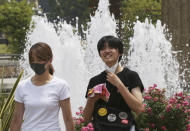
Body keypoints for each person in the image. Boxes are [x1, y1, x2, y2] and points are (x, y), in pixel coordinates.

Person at [83, 36, 145, 131]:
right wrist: (91, 101)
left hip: (126, 127)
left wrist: (119, 85)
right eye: (103, 48)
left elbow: (139, 108)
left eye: (111, 47)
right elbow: (86, 119)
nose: (107, 51)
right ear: (100, 53)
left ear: (120, 52)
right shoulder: (94, 80)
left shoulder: (131, 75)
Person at [10, 42, 74, 131]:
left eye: (39, 60)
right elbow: (16, 121)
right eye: (32, 60)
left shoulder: (61, 85)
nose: (35, 63)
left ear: (50, 60)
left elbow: (68, 120)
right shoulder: (22, 86)